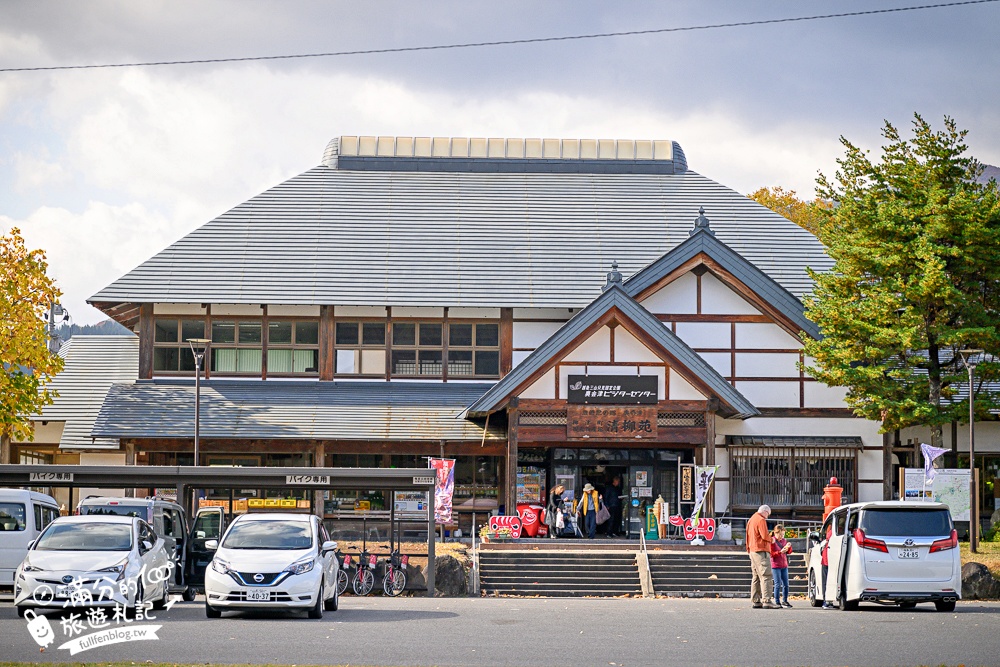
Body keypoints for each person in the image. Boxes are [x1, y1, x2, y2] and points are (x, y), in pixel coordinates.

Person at [746, 504, 779, 609]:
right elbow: (764, 535)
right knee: (766, 575)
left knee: (756, 576)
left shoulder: (751, 519)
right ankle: (767, 600)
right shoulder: (761, 520)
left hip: (752, 550)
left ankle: (756, 600)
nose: (767, 517)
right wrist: (772, 539)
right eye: (768, 514)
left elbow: (747, 536)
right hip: (761, 550)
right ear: (765, 511)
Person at [770, 524, 793, 608]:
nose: (781, 536)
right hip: (776, 565)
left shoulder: (784, 541)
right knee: (777, 584)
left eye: (783, 534)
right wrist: (780, 552)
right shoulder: (772, 541)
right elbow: (771, 554)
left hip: (784, 564)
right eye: (780, 534)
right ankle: (777, 601)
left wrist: (789, 547)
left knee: (786, 584)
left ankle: (785, 600)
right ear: (775, 533)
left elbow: (789, 552)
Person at [821, 523, 835, 609]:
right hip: (830, 559)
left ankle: (826, 600)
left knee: (825, 581)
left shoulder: (831, 532)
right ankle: (828, 600)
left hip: (826, 559)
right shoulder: (837, 532)